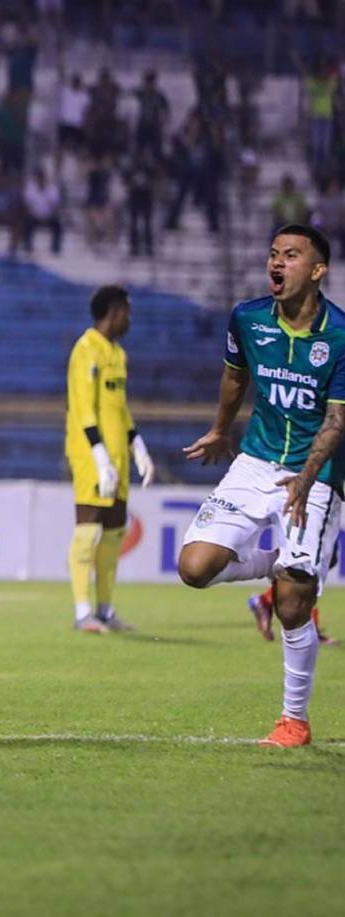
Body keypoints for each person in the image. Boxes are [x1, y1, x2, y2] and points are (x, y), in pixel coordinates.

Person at [178, 224, 345, 748]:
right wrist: (220, 429)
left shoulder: (340, 335)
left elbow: (337, 421)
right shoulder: (247, 318)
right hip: (255, 462)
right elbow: (235, 376)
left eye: (291, 256)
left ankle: (293, 720)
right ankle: (286, 563)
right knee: (194, 567)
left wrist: (308, 478)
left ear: (317, 271)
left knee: (294, 602)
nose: (277, 263)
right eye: (273, 254)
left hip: (314, 474)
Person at [65, 285, 155, 633]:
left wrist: (138, 446)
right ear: (114, 311)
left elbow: (118, 408)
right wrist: (98, 454)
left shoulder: (117, 353)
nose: (129, 319)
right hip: (91, 455)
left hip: (117, 455)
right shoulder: (86, 349)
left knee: (114, 532)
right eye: (127, 312)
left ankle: (104, 609)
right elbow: (83, 406)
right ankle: (81, 611)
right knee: (87, 530)